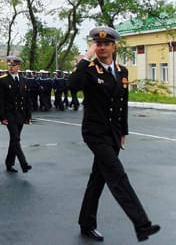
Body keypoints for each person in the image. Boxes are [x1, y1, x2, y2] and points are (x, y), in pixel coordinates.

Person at [69, 26, 160, 242]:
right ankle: (142, 224)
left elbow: (123, 104)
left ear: (113, 46)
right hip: (94, 133)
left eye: (105, 43)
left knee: (98, 179)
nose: (101, 47)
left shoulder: (122, 71)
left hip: (113, 134)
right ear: (94, 46)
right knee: (117, 175)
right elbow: (72, 86)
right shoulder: (89, 69)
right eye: (97, 43)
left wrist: (123, 131)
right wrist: (85, 58)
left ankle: (86, 223)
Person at [0, 56, 32, 173]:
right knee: (16, 138)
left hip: (20, 114)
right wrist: (2, 117)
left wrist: (28, 115)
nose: (11, 67)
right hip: (9, 114)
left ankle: (9, 163)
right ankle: (24, 163)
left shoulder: (23, 80)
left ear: (19, 67)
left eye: (13, 65)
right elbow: (0, 100)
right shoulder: (3, 80)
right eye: (10, 65)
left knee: (14, 139)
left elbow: (27, 99)